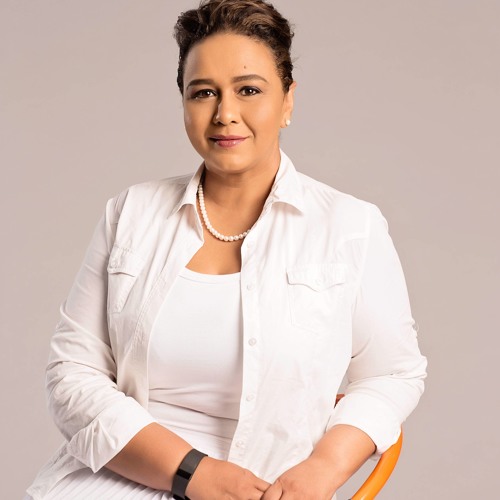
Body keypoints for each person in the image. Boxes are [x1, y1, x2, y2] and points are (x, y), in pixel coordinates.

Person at [25, 0, 427, 498]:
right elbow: (72, 373)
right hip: (107, 483)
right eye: (203, 93)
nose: (225, 114)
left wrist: (323, 468)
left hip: (260, 488)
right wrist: (192, 472)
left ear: (288, 101)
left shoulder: (350, 227)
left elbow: (392, 374)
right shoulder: (130, 213)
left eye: (248, 90)